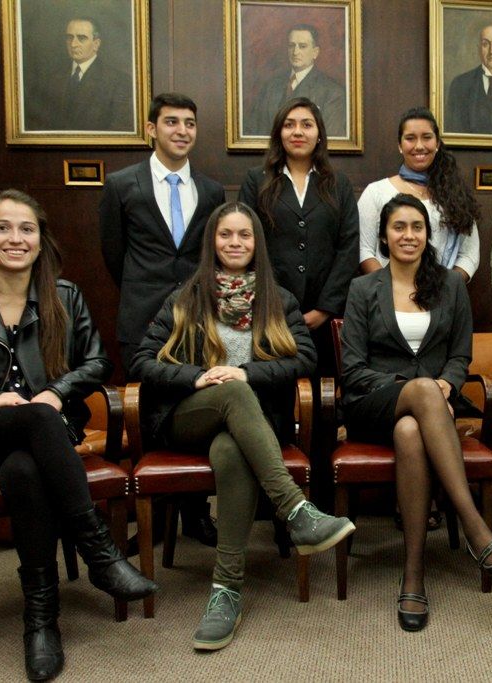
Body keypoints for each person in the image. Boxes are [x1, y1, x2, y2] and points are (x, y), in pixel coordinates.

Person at [0, 190, 157, 681]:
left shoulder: (66, 296)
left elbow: (98, 362)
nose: (15, 238)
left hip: (44, 433)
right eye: (2, 227)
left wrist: (57, 392)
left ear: (41, 241)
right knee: (37, 421)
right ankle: (99, 552)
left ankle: (41, 620)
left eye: (26, 229)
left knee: (24, 467)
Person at [131, 201, 355, 651]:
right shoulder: (185, 297)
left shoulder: (279, 299)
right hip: (189, 417)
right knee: (231, 392)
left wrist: (247, 372)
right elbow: (141, 361)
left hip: (249, 426)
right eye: (226, 234)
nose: (235, 243)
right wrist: (197, 376)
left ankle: (226, 590)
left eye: (244, 235)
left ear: (258, 243)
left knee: (232, 446)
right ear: (212, 241)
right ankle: (296, 511)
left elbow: (306, 358)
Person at [342, 194, 492, 632]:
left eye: (417, 227)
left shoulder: (450, 286)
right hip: (372, 404)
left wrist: (448, 384)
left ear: (428, 234)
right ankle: (476, 528)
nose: (409, 235)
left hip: (431, 409)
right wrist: (416, 387)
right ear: (384, 236)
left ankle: (413, 577)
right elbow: (352, 368)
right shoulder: (364, 289)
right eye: (399, 227)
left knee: (410, 431)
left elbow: (460, 356)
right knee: (418, 395)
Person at [100, 92, 226, 546]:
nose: (182, 131)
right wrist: (144, 292)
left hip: (197, 320)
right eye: (171, 122)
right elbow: (114, 254)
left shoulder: (211, 191)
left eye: (189, 123)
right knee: (148, 415)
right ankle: (151, 517)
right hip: (141, 318)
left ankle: (195, 514)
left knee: (196, 410)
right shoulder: (122, 184)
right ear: (152, 129)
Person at [238, 96, 358, 378]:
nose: (298, 132)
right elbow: (244, 244)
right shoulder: (257, 180)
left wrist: (325, 309)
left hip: (325, 315)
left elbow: (348, 246)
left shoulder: (338, 184)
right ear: (279, 133)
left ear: (319, 134)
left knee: (323, 392)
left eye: (307, 125)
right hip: (269, 310)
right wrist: (272, 303)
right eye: (289, 125)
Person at [358, 107, 480, 282]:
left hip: (441, 293)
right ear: (400, 146)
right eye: (410, 138)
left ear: (437, 144)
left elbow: (469, 254)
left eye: (427, 137)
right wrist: (390, 289)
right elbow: (364, 250)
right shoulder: (376, 192)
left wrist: (446, 289)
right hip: (385, 293)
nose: (419, 146)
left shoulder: (456, 194)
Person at [26, 16, 133, 132]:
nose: (73, 44)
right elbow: (38, 121)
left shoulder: (118, 81)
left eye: (81, 38)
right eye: (69, 37)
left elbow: (120, 129)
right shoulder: (51, 77)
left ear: (96, 44)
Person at [246, 25, 346, 137]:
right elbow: (253, 130)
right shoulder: (271, 86)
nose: (295, 52)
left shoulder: (333, 93)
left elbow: (331, 139)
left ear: (315, 52)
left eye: (302, 46)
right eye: (291, 46)